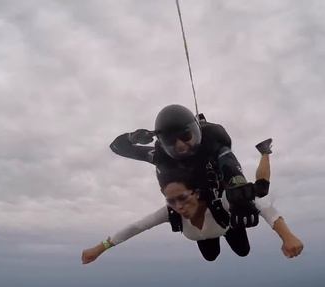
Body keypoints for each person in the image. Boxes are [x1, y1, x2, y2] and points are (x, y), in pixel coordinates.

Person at [82, 141, 303, 263]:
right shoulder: (171, 211)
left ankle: (265, 151)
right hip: (205, 234)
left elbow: (263, 206)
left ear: (196, 193)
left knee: (244, 245)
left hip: (226, 226)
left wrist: (287, 236)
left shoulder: (221, 201)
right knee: (211, 256)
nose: (178, 207)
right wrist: (100, 248)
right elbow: (137, 227)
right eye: (171, 200)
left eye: (182, 198)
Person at [109, 104, 263, 230]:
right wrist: (132, 137)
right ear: (163, 143)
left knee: (240, 248)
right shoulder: (160, 155)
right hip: (193, 209)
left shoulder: (212, 143)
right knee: (210, 253)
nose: (181, 145)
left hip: (216, 202)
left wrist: (239, 191)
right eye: (170, 140)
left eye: (185, 135)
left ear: (197, 130)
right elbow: (117, 147)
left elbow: (228, 164)